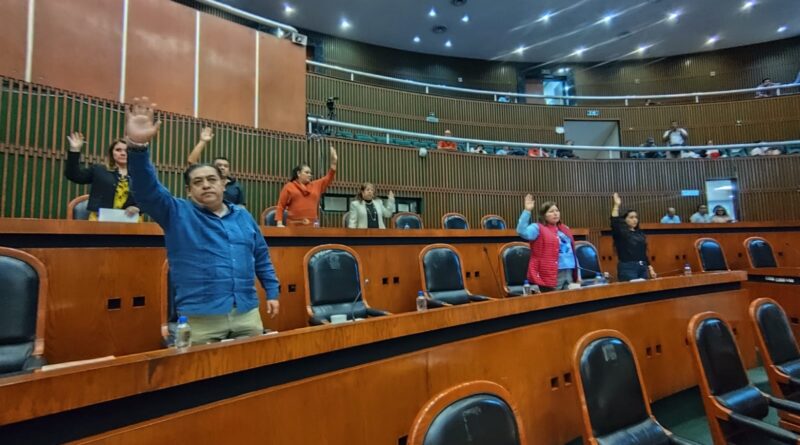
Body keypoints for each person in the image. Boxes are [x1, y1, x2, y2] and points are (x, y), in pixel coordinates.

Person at [124, 97, 280, 344]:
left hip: (247, 313)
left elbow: (261, 256)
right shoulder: (176, 213)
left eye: (211, 179)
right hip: (200, 320)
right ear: (189, 191)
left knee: (254, 367)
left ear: (223, 184)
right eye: (198, 182)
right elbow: (147, 191)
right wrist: (137, 147)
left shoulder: (243, 216)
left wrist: (271, 292)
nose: (206, 185)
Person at [65, 132, 141, 221]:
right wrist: (74, 150)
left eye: (127, 150)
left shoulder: (141, 175)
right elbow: (74, 175)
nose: (123, 153)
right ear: (112, 153)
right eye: (118, 150)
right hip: (100, 221)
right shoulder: (99, 170)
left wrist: (138, 208)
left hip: (130, 222)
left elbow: (150, 199)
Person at [516, 194, 578, 291]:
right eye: (551, 211)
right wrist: (527, 211)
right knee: (554, 299)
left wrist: (578, 274)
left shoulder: (565, 229)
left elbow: (572, 252)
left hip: (569, 271)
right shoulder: (537, 228)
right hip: (550, 273)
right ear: (543, 215)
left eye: (557, 210)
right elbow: (522, 231)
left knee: (569, 299)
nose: (555, 213)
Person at [275, 147, 338, 227]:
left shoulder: (316, 185)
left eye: (310, 173)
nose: (310, 175)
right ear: (298, 173)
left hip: (313, 227)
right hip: (293, 227)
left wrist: (333, 163)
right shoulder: (289, 187)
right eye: (307, 172)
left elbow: (329, 177)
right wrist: (279, 223)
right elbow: (281, 206)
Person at [187, 127, 245, 206]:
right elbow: (192, 161)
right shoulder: (206, 181)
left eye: (225, 166)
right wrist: (202, 141)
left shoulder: (236, 185)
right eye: (219, 165)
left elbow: (241, 205)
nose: (222, 168)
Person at [611, 193, 657, 281]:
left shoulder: (639, 234)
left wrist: (650, 268)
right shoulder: (621, 233)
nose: (635, 219)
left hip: (642, 267)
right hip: (628, 268)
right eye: (631, 217)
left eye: (636, 217)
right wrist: (616, 205)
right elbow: (614, 221)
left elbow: (643, 253)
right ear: (624, 220)